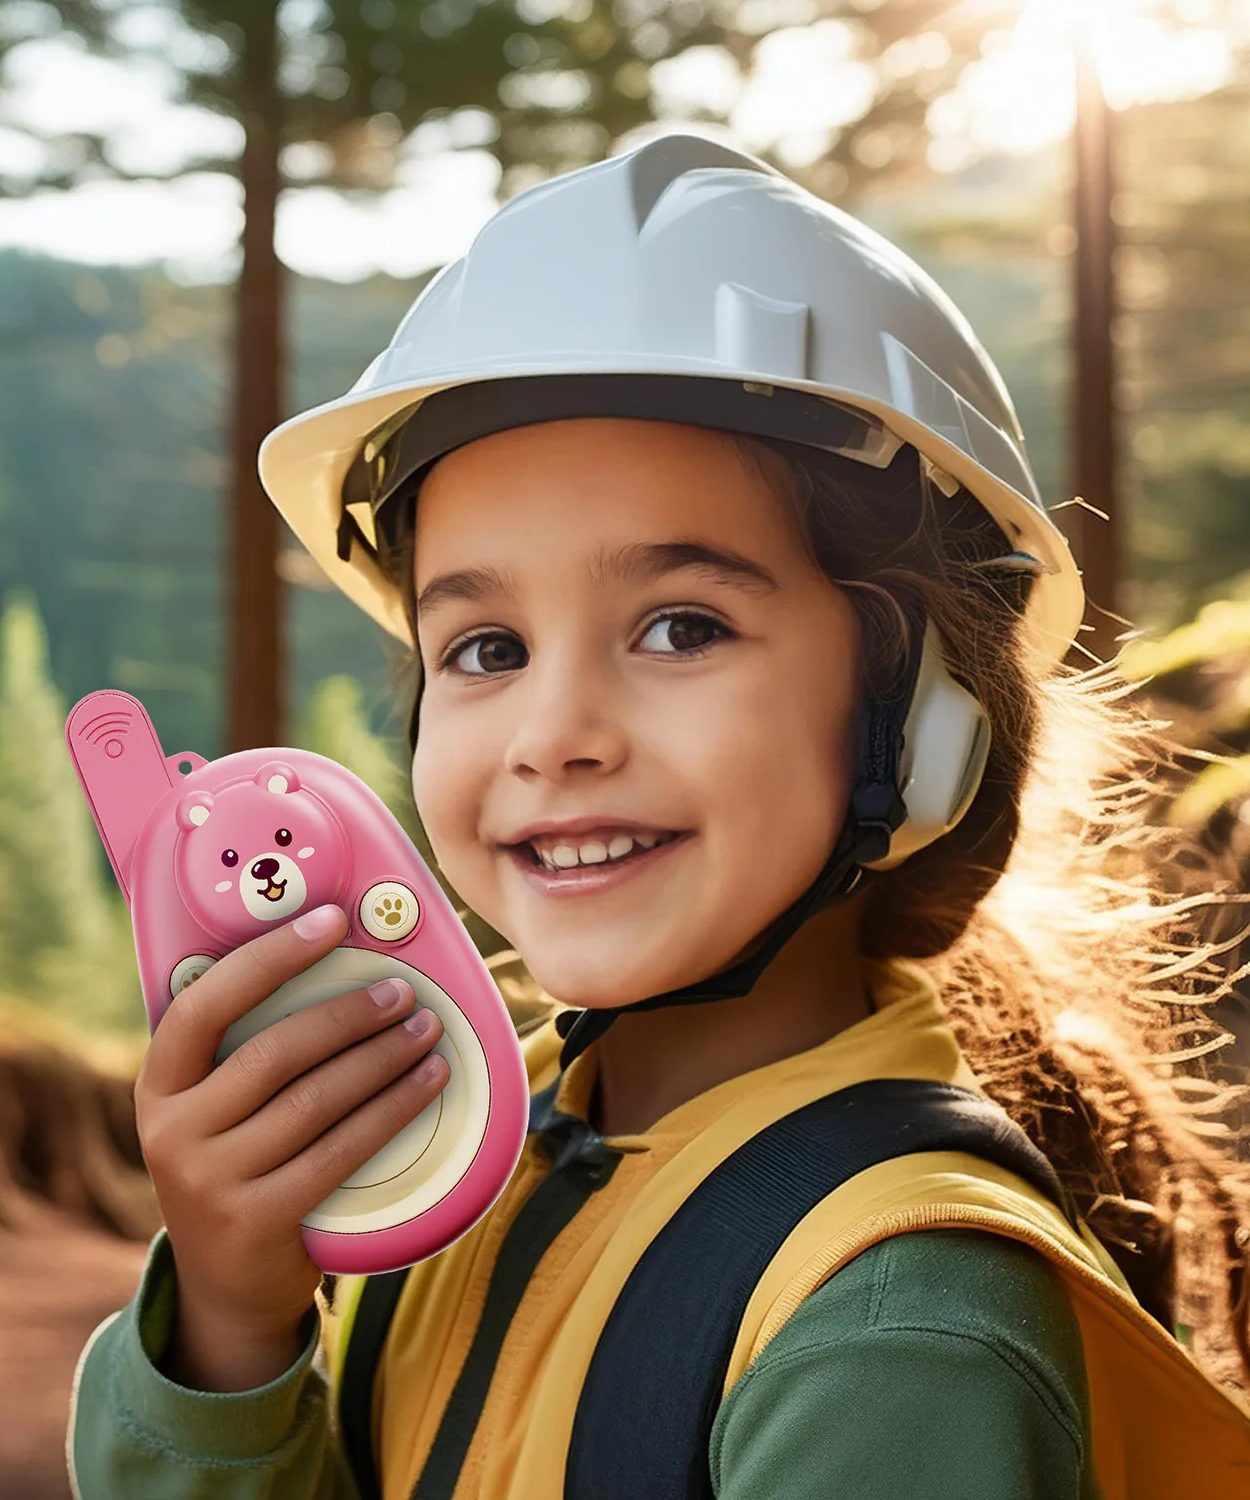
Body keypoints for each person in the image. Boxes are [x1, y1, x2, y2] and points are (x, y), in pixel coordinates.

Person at [67, 134, 1250, 1499]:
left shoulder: (894, 1352)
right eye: (487, 649)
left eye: (682, 627)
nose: (554, 736)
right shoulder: (478, 1145)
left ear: (922, 720)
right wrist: (232, 1328)